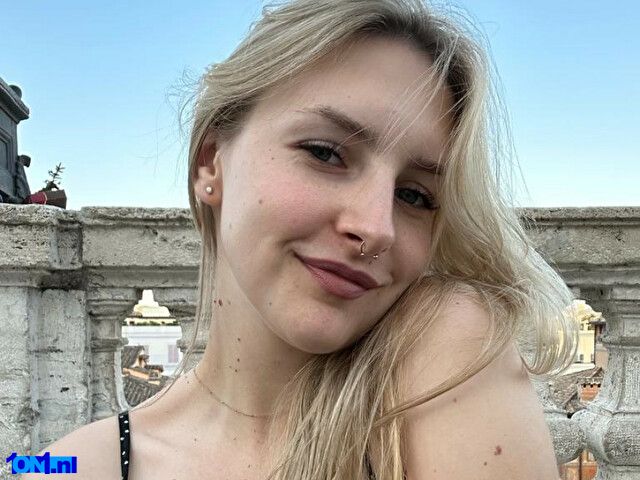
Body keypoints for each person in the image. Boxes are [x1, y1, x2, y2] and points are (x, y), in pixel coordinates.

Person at [26, 0, 579, 478]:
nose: (376, 227)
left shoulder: (451, 356)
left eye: (415, 195)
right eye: (325, 153)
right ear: (210, 163)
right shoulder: (65, 463)